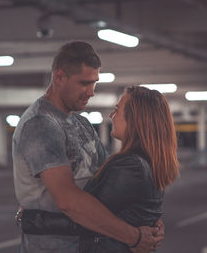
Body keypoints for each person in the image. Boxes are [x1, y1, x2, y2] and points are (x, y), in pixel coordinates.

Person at [12, 41, 164, 253]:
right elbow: (68, 201)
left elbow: (107, 185)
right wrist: (135, 236)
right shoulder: (40, 124)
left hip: (89, 244)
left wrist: (145, 219)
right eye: (84, 83)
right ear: (59, 78)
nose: (91, 92)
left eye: (94, 82)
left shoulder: (81, 124)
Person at [18, 86, 180, 252]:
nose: (111, 115)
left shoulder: (131, 167)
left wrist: (29, 218)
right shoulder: (146, 162)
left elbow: (89, 219)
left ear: (136, 118)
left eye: (117, 110)